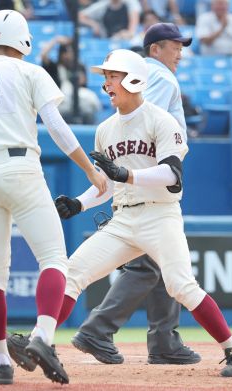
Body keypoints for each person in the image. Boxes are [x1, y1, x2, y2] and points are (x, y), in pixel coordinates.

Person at [9, 49, 232, 378]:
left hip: (160, 215)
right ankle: (41, 341)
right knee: (71, 273)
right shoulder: (105, 129)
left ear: (134, 79)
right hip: (123, 218)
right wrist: (80, 203)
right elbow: (109, 184)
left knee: (181, 286)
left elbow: (171, 175)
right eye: (105, 77)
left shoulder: (161, 121)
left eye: (112, 76)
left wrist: (126, 174)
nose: (106, 83)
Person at [0, 9, 107, 386]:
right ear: (22, 39)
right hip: (19, 164)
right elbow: (54, 124)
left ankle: (1, 364)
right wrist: (89, 169)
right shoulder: (29, 71)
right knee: (54, 258)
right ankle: (42, 336)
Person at [68, 22, 201, 366]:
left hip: (145, 180)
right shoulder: (157, 76)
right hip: (147, 184)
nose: (180, 53)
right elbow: (138, 123)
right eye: (174, 46)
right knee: (147, 265)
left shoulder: (158, 74)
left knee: (157, 267)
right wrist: (130, 176)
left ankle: (163, 340)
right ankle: (100, 328)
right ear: (154, 49)